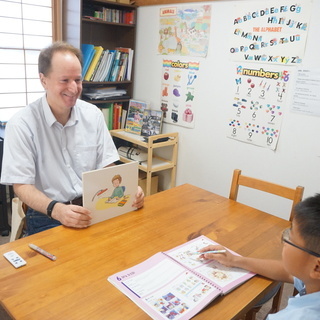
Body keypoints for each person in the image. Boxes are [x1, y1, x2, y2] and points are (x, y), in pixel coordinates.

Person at [1, 41, 144, 235]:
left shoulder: (92, 114)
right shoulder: (21, 124)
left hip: (94, 204)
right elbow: (21, 185)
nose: (74, 88)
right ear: (43, 80)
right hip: (48, 213)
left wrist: (128, 190)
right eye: (64, 80)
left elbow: (106, 166)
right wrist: (57, 210)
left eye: (77, 80)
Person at [199, 194, 320, 319]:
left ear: (317, 267)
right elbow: (288, 273)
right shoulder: (313, 280)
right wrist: (235, 260)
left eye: (290, 238)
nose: (284, 241)